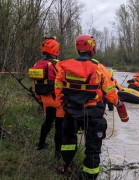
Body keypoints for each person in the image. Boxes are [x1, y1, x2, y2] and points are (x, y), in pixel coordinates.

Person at [55, 34, 129, 179]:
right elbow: (110, 93)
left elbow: (58, 89)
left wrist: (62, 105)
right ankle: (89, 176)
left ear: (78, 48)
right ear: (92, 48)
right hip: (93, 113)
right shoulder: (100, 68)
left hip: (70, 111)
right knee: (93, 148)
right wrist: (119, 104)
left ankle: (66, 165)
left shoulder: (64, 66)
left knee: (68, 142)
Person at [28, 37, 63, 158]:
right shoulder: (57, 64)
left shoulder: (37, 64)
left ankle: (41, 144)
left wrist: (39, 97)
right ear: (55, 50)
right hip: (57, 100)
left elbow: (36, 83)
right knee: (59, 126)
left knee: (47, 121)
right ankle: (58, 154)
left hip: (45, 99)